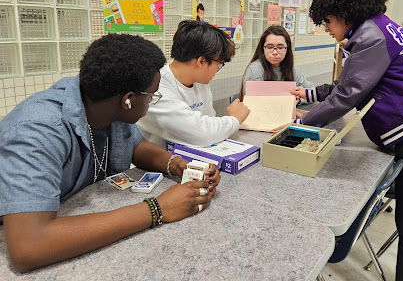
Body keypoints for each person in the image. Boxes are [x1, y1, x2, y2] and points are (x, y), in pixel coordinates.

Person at [0, 34, 220, 273]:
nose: (153, 101)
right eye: (152, 95)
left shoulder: (105, 100)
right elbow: (29, 246)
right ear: (128, 100)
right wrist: (157, 208)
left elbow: (137, 146)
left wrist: (179, 165)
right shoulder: (37, 132)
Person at [291, 0, 403, 281]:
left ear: (344, 13)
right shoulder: (383, 28)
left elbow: (347, 96)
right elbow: (350, 83)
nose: (327, 29)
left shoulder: (370, 37)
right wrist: (310, 95)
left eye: (329, 22)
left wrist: (299, 124)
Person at [137, 20, 250, 148]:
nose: (217, 69)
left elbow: (209, 122)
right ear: (201, 61)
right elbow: (200, 133)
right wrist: (235, 119)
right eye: (218, 64)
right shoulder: (156, 85)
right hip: (156, 163)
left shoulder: (200, 82)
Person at [239, 25, 314, 101]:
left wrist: (299, 100)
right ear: (263, 48)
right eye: (270, 47)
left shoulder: (292, 70)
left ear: (287, 49)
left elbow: (310, 90)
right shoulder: (255, 70)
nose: (275, 52)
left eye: (280, 47)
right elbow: (254, 102)